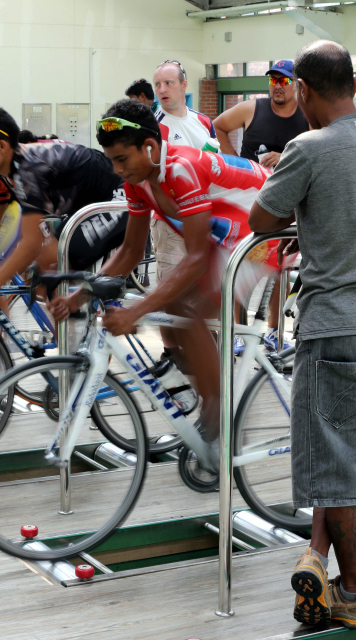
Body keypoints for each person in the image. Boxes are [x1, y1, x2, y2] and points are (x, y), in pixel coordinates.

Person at [48, 99, 272, 460]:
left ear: (150, 147)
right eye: (112, 161)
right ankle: (208, 397)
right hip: (229, 233)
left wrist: (135, 314)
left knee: (194, 312)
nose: (117, 170)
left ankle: (222, 420)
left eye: (122, 159)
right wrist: (80, 295)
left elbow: (197, 259)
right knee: (172, 302)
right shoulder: (140, 179)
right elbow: (131, 251)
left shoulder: (181, 168)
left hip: (266, 229)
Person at [249, 41, 356, 628]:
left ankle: (353, 592)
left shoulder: (308, 147)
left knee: (335, 465)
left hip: (333, 328)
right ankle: (322, 564)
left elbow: (260, 219)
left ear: (306, 93)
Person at [0, 106, 128, 313]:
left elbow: (31, 244)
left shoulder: (29, 170)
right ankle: (70, 332)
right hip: (82, 205)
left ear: (1, 146)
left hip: (118, 195)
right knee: (43, 276)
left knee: (54, 262)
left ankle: (81, 324)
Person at [214, 60, 309, 352]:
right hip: (248, 199)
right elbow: (218, 125)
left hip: (285, 200)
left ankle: (273, 330)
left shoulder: (306, 116)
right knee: (241, 264)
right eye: (273, 80)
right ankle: (237, 331)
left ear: (296, 85)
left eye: (284, 81)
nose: (277, 87)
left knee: (277, 265)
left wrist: (285, 157)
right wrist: (236, 164)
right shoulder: (252, 108)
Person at [152, 60, 217, 366]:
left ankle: (202, 348)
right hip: (169, 221)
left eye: (168, 83)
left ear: (183, 85)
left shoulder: (203, 121)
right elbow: (153, 182)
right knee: (170, 290)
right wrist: (176, 215)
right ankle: (171, 353)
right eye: (158, 85)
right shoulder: (155, 127)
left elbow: (216, 165)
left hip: (203, 218)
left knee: (203, 288)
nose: (163, 90)